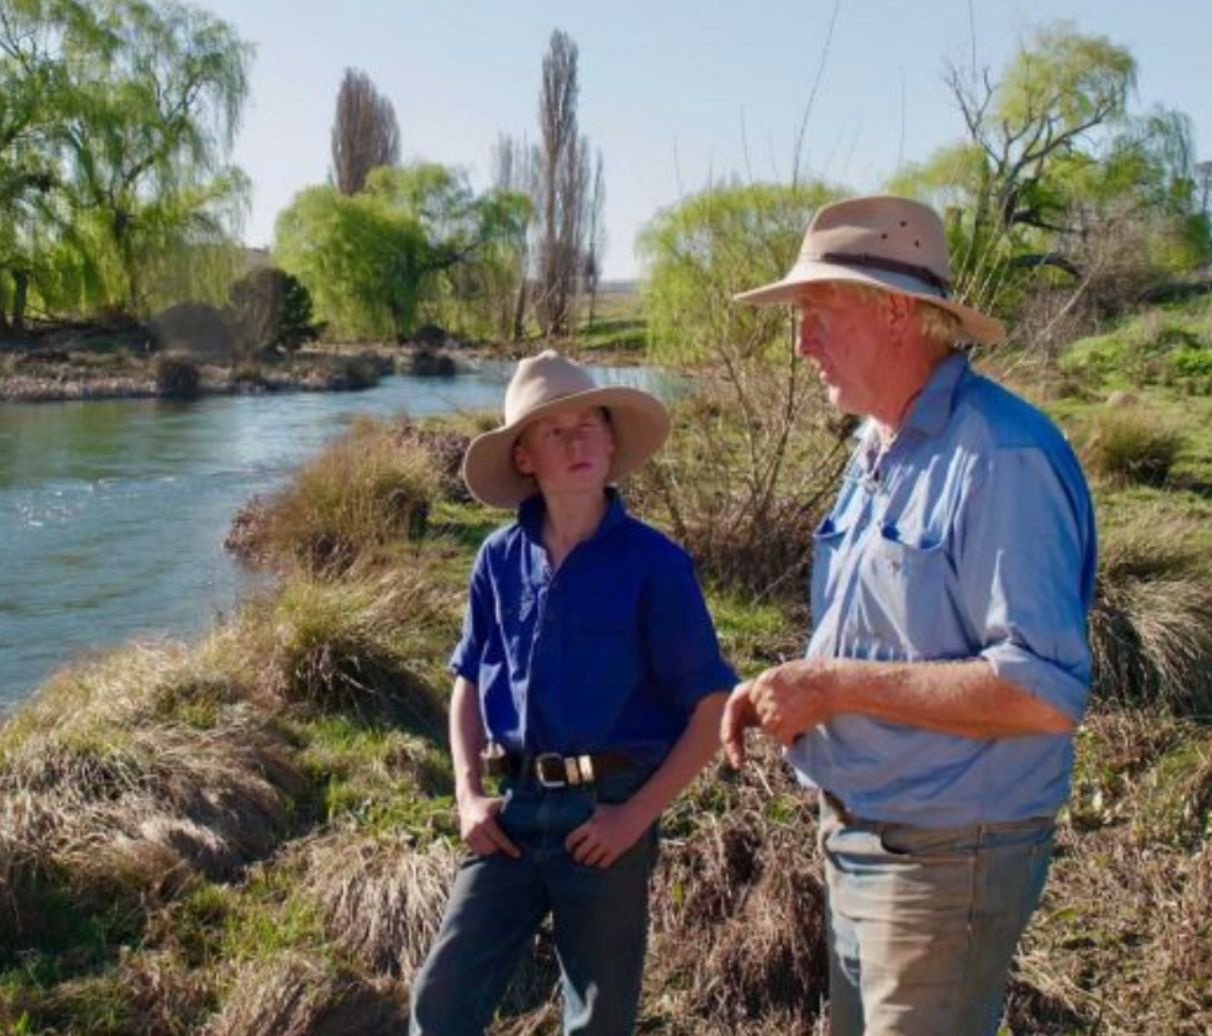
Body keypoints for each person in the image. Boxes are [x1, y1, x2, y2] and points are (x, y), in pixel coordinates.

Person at [721, 195, 1097, 1036]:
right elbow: (886, 631)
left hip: (943, 858)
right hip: (864, 844)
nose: (799, 342)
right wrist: (789, 686)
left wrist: (833, 687)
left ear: (895, 313)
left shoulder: (1000, 456)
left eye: (818, 313)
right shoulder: (875, 447)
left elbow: (1039, 693)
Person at [409, 351, 737, 1036]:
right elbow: (468, 679)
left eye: (591, 423)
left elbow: (711, 710)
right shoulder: (497, 560)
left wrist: (635, 817)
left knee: (597, 1020)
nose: (578, 440)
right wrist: (467, 792)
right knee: (440, 1002)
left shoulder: (656, 565)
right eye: (554, 431)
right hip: (511, 815)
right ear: (524, 456)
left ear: (614, 441)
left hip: (606, 818)